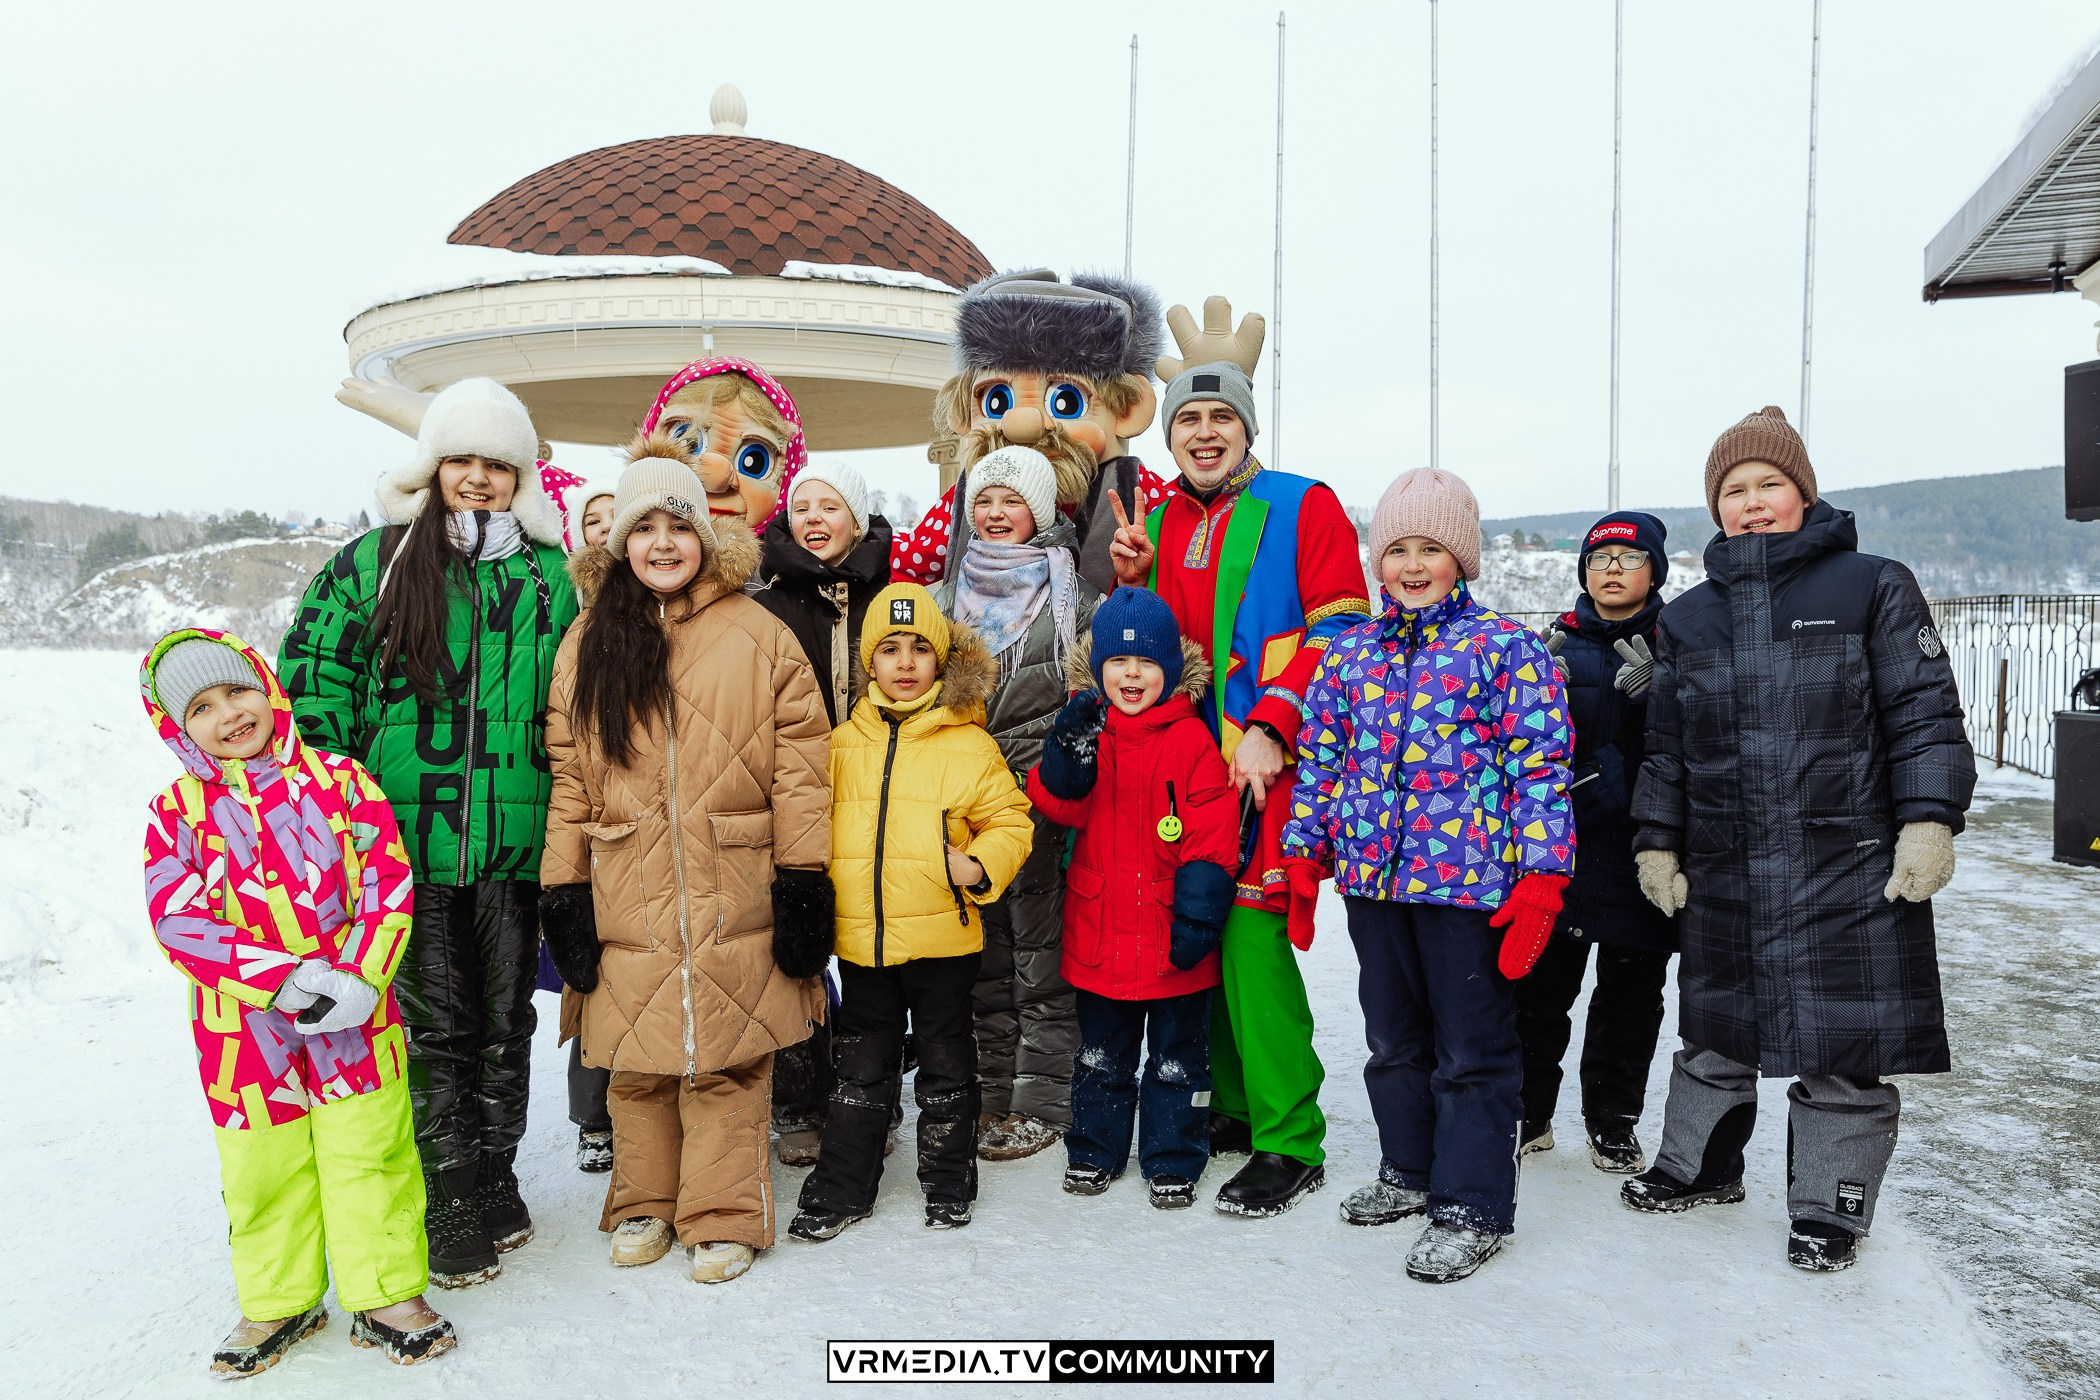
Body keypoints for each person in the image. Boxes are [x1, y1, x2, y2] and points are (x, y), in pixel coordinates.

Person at [1623, 406, 1975, 1273]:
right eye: (1734, 490)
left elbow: (1924, 714)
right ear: (1715, 507)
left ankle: (1829, 1209)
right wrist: (1657, 842)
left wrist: (1928, 821)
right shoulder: (1688, 618)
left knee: (1844, 1048)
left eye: (1768, 485)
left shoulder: (1872, 585)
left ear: (1803, 494)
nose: (1751, 503)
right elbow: (1667, 749)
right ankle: (1699, 1167)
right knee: (1716, 1030)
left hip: (1849, 864)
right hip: (1728, 862)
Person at [279, 377, 578, 1286]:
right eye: (462, 459)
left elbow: (579, 703)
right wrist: (341, 813)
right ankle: (447, 1190)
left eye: (498, 463)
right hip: (401, 844)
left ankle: (494, 1172)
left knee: (507, 1021)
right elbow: (315, 687)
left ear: (521, 475)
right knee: (435, 1025)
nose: (479, 478)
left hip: (515, 843)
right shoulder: (371, 563)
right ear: (433, 464)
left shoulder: (550, 576)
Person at [537, 456, 834, 1285]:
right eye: (644, 528)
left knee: (727, 1056)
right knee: (635, 1053)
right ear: (620, 543)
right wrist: (563, 888)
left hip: (731, 875)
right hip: (623, 877)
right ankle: (644, 1201)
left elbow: (803, 767)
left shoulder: (759, 632)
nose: (662, 543)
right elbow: (570, 775)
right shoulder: (586, 641)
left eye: (679, 526)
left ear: (705, 535)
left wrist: (803, 879)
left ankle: (724, 1212)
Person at [1282, 467, 1575, 1283]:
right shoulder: (1349, 654)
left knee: (1472, 1049)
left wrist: (1542, 877)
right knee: (1393, 1040)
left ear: (1461, 559)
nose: (1412, 565)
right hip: (1375, 884)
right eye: (1397, 549)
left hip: (1468, 888)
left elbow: (1540, 768)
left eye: (1430, 549)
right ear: (1377, 562)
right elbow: (1322, 762)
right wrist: (1304, 854)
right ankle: (1408, 1170)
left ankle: (1472, 1205)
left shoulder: (1505, 649)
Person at [140, 629, 455, 1377]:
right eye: (202, 707)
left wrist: (360, 977)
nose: (229, 714)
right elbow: (177, 919)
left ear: (267, 685)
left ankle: (386, 1293)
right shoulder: (176, 811)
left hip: (354, 1015)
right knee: (262, 1166)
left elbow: (386, 884)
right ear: (177, 728)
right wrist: (276, 978)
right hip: (242, 1031)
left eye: (237, 690)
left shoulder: (342, 781)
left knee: (370, 1152)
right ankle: (279, 1297)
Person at [1108, 352, 1372, 1218]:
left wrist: (1273, 722)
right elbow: (1153, 648)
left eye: (1221, 417)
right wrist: (1130, 582)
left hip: (1266, 768)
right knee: (1198, 931)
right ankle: (1231, 1104)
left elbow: (1342, 630)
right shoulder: (1159, 519)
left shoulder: (1303, 503)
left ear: (1248, 428)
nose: (1204, 432)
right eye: (1187, 419)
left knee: (1254, 945)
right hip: (1181, 773)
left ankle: (1290, 1137)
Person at [789, 583, 1035, 1240]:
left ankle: (949, 1181)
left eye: (920, 649)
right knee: (861, 1071)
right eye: (890, 648)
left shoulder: (969, 744)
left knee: (947, 1066)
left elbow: (1011, 819)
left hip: (942, 944)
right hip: (863, 946)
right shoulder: (842, 744)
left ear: (941, 661)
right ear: (869, 660)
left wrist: (977, 864)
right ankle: (843, 1186)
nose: (904, 662)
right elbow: (810, 825)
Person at [1025, 588, 1237, 1207]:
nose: (1132, 675)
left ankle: (1173, 1157)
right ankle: (1094, 1150)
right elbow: (1056, 800)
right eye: (1118, 662)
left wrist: (1200, 915)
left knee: (1178, 1059)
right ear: (1099, 669)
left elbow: (1212, 834)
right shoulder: (1091, 731)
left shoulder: (1191, 740)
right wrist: (1066, 755)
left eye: (1146, 662)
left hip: (1172, 933)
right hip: (1101, 931)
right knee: (1101, 1055)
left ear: (1169, 668)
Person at [933, 445, 1103, 1162]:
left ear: (1039, 511)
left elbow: (1093, 703)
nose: (996, 514)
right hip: (964, 805)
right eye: (984, 501)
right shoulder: (941, 600)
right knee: (980, 957)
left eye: (1012, 502)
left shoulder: (1073, 600)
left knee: (1040, 955)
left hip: (1038, 804)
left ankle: (1042, 1101)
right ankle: (992, 1092)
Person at [1516, 512, 1678, 1174]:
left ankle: (1613, 1120)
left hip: (1644, 848)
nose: (1613, 568)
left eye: (1630, 557)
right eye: (1599, 557)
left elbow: (1701, 739)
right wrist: (1531, 690)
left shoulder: (1681, 644)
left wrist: (1660, 695)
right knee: (1538, 991)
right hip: (1564, 848)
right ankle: (1528, 1113)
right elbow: (1518, 744)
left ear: (1655, 571)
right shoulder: (1552, 644)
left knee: (1630, 999)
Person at [751, 461, 895, 1166]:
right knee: (795, 953)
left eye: (829, 506)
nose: (813, 518)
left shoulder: (892, 598)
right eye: (801, 506)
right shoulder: (764, 603)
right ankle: (800, 1103)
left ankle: (868, 1099)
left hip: (874, 800)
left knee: (871, 957)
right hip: (789, 799)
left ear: (856, 520)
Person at [890, 269, 1171, 593]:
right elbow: (905, 573)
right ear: (963, 411)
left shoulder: (1134, 491)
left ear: (1128, 410)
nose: (1021, 424)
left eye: (1066, 402)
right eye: (997, 400)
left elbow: (1194, 551)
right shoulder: (970, 497)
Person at [544, 472, 622, 1176]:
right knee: (592, 974)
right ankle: (593, 1115)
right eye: (591, 519)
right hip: (592, 822)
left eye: (615, 515)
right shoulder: (568, 624)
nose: (604, 528)